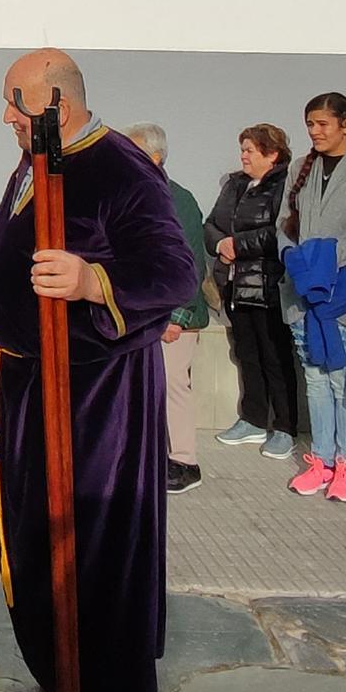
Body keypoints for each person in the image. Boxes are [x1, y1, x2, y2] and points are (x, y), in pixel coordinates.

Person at [0, 50, 196, 692]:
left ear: (58, 105)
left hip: (92, 403)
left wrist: (93, 279)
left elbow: (173, 271)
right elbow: (20, 231)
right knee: (40, 540)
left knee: (92, 545)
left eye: (16, 104)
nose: (6, 118)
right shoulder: (45, 151)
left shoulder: (121, 168)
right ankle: (60, 677)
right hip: (30, 388)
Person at [278, 94, 346, 504]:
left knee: (341, 378)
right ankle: (320, 460)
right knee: (313, 375)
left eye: (323, 123)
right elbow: (283, 226)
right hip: (300, 289)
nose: (315, 132)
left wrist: (320, 265)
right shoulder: (299, 169)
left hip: (339, 291)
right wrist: (295, 260)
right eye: (310, 124)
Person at [206, 124, 298, 461]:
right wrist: (219, 244)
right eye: (242, 149)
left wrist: (238, 245)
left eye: (250, 150)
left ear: (272, 154)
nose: (243, 155)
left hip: (268, 284)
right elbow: (211, 224)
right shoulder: (235, 184)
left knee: (275, 357)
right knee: (247, 353)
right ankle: (254, 419)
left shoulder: (285, 185)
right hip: (234, 282)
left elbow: (280, 231)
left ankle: (286, 428)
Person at [128, 122, 211, 494]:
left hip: (174, 318)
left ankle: (183, 461)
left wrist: (176, 317)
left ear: (156, 157)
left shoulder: (179, 200)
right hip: (144, 315)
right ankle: (153, 457)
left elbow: (190, 260)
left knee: (174, 386)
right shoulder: (134, 195)